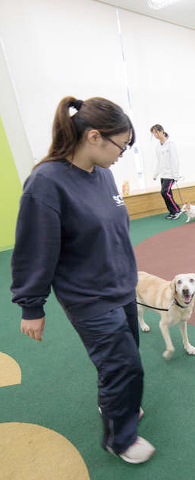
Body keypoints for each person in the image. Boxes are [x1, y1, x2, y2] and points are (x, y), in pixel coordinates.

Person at [11, 96, 156, 464]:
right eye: (122, 145)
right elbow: (34, 248)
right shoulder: (46, 183)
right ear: (94, 136)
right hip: (88, 297)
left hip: (122, 287)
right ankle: (119, 439)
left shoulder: (103, 174)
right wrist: (32, 306)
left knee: (122, 361)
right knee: (124, 366)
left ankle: (115, 404)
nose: (123, 154)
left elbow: (112, 232)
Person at [150, 124, 180, 219]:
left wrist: (176, 175)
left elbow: (175, 160)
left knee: (165, 192)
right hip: (163, 174)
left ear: (162, 131)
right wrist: (155, 174)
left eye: (156, 132)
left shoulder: (170, 144)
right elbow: (159, 162)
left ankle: (177, 210)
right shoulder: (158, 146)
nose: (155, 135)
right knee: (166, 193)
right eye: (153, 133)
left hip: (170, 174)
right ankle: (172, 211)